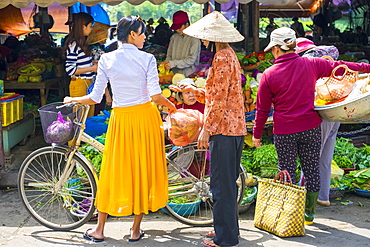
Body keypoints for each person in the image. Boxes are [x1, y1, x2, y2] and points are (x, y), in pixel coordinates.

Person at [63, 15, 176, 243]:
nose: (145, 36)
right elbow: (155, 95)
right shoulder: (147, 59)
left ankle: (100, 230)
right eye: (142, 32)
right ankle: (135, 230)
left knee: (113, 171)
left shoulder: (106, 59)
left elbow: (95, 97)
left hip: (121, 120)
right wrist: (172, 106)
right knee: (142, 171)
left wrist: (73, 99)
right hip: (145, 119)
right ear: (132, 34)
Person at [252, 27, 370, 226]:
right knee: (312, 169)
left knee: (287, 170)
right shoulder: (312, 64)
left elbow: (262, 111)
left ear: (276, 49)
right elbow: (341, 66)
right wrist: (366, 68)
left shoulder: (269, 74)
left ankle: (289, 216)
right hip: (310, 128)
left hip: (285, 131)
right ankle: (309, 215)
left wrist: (256, 135)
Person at [170, 11, 246, 247]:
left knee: (221, 187)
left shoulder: (222, 57)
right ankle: (227, 230)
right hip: (234, 128)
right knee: (226, 184)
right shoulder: (228, 54)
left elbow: (220, 100)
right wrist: (196, 90)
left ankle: (227, 239)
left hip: (224, 129)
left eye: (205, 36)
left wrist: (207, 129)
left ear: (213, 37)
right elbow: (222, 93)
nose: (202, 40)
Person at [295, 37, 340, 207]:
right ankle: (323, 196)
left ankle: (302, 199)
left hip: (320, 114)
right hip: (335, 112)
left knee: (310, 158)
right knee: (325, 158)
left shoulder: (307, 62)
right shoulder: (324, 61)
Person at [64, 12, 97, 117]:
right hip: (79, 85)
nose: (91, 29)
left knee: (89, 118)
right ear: (83, 27)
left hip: (88, 84)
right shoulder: (74, 45)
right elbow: (70, 70)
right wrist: (92, 68)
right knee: (80, 119)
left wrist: (92, 63)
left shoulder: (83, 43)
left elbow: (82, 63)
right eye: (90, 26)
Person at [162, 11, 201, 77]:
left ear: (187, 24)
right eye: (176, 28)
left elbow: (191, 60)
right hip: (174, 74)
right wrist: (166, 64)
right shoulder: (174, 37)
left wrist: (173, 63)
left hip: (189, 75)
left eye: (180, 27)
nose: (177, 30)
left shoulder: (194, 39)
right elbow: (169, 55)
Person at [86, 21, 113, 112]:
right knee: (97, 111)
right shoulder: (97, 51)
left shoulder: (92, 48)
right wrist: (108, 95)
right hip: (98, 86)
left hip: (92, 84)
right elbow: (100, 74)